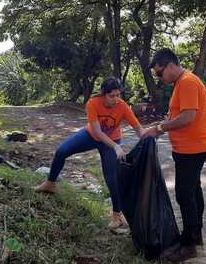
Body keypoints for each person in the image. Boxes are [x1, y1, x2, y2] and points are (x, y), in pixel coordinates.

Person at [35, 77, 144, 229]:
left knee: (112, 178)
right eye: (112, 96)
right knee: (61, 151)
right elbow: (98, 133)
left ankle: (117, 215)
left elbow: (137, 127)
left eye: (118, 95)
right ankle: (50, 183)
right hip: (91, 136)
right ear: (102, 94)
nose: (116, 99)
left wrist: (146, 139)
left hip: (111, 141)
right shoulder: (93, 103)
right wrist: (116, 147)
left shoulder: (122, 106)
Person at [141, 48, 206, 263]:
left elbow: (188, 117)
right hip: (189, 148)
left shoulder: (188, 82)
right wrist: (158, 125)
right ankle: (195, 235)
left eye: (160, 73)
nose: (160, 79)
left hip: (192, 149)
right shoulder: (182, 83)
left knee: (184, 194)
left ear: (170, 65)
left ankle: (189, 245)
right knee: (193, 191)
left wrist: (161, 128)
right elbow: (179, 114)